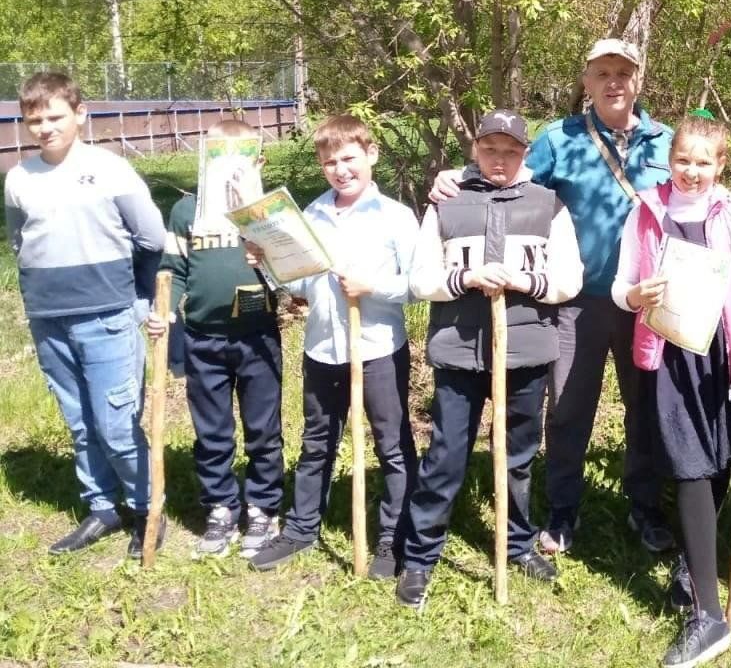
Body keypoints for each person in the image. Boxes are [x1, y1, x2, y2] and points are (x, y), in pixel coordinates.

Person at [431, 38, 674, 555]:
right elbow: (507, 178)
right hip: (575, 303)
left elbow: (692, 198)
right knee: (567, 409)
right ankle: (563, 510)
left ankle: (645, 506)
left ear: (638, 80)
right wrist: (456, 177)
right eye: (602, 73)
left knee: (645, 409)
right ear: (585, 82)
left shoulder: (663, 142)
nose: (614, 82)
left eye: (623, 73)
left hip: (645, 302)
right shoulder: (559, 139)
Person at [396, 110, 584, 608]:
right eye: (490, 149)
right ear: (475, 149)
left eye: (510, 150)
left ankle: (517, 543)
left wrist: (524, 282)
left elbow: (570, 279)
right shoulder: (448, 203)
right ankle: (420, 556)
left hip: (524, 352)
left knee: (518, 457)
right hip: (459, 351)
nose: (499, 160)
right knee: (446, 456)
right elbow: (420, 279)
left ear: (525, 154)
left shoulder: (548, 206)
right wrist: (467, 279)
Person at [614, 114, 731, 668]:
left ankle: (694, 562)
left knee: (722, 463)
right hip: (670, 353)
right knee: (688, 464)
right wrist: (637, 294)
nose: (691, 170)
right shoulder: (645, 212)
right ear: (670, 159)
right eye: (683, 159)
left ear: (720, 164)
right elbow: (620, 287)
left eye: (703, 162)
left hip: (727, 353)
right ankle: (710, 617)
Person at [246, 114, 418, 579]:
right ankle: (301, 529)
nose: (340, 170)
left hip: (377, 348)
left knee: (393, 445)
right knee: (317, 443)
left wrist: (372, 286)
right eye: (329, 162)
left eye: (348, 159)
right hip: (323, 347)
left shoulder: (396, 217)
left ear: (371, 154)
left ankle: (393, 538)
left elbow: (419, 284)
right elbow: (297, 285)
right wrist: (267, 263)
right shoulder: (311, 215)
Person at [4, 71, 165, 557]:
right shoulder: (18, 178)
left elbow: (152, 238)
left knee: (116, 425)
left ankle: (147, 508)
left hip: (107, 317)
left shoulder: (111, 170)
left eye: (55, 116)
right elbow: (19, 241)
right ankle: (102, 507)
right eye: (34, 120)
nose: (45, 127)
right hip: (48, 318)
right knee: (79, 422)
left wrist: (136, 301)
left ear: (80, 113)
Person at [145, 118, 285, 559]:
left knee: (263, 430)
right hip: (204, 342)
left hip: (258, 339)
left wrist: (260, 229)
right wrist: (165, 309)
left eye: (240, 156)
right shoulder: (187, 212)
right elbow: (176, 269)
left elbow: (290, 270)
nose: (229, 167)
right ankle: (221, 506)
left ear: (258, 159)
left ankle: (263, 506)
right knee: (212, 432)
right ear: (204, 160)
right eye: (217, 156)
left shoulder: (270, 210)